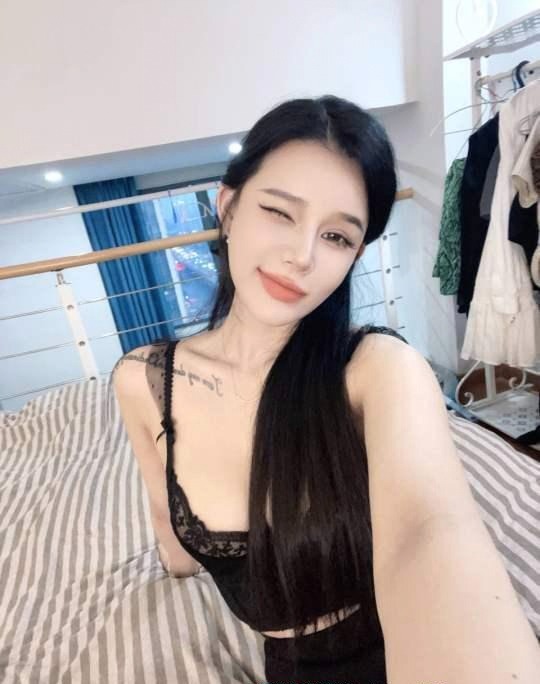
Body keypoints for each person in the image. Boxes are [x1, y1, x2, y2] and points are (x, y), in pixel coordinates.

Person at [111, 95, 540, 683]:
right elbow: (167, 522)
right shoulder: (142, 380)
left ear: (355, 255)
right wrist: (174, 562)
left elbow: (430, 531)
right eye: (279, 212)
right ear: (228, 207)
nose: (302, 256)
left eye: (337, 236)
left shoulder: (377, 367)